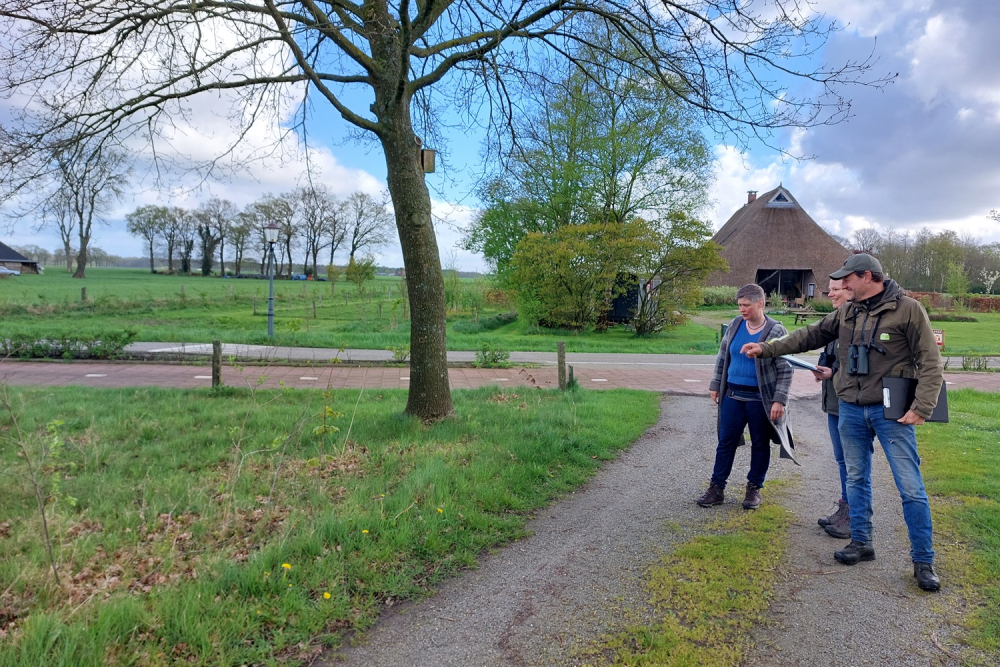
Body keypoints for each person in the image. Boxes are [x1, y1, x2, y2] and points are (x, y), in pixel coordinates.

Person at [741, 254, 944, 592]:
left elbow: (931, 362)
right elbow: (809, 335)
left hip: (891, 412)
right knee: (856, 477)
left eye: (847, 279)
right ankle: (862, 542)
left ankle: (923, 560)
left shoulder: (908, 310)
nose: (842, 286)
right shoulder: (848, 312)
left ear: (868, 277)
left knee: (910, 486)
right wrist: (767, 349)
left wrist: (922, 407)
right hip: (850, 407)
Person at [697, 283, 793, 511]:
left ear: (760, 303)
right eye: (740, 305)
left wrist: (779, 400)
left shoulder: (776, 331)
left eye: (746, 305)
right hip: (732, 395)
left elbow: (786, 368)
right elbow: (722, 356)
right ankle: (716, 488)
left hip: (760, 399)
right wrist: (715, 385)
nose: (742, 309)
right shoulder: (735, 324)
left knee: (760, 444)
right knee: (725, 442)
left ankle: (753, 489)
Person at [814, 278, 851, 538]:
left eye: (835, 289)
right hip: (833, 402)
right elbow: (830, 352)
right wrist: (820, 367)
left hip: (849, 403)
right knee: (841, 460)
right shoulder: (836, 319)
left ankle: (853, 516)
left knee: (853, 463)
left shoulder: (857, 323)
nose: (830, 293)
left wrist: (833, 372)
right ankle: (845, 506)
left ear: (851, 290)